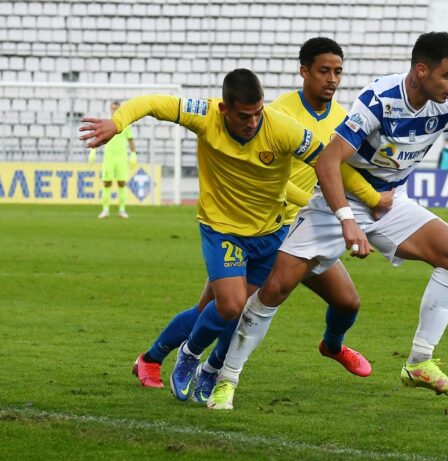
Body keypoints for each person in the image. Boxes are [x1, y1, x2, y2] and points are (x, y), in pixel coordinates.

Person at [207, 31, 448, 410]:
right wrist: (346, 220)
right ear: (422, 70)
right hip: (338, 203)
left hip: (389, 202)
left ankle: (419, 362)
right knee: (275, 289)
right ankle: (226, 378)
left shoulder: (444, 107)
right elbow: (327, 161)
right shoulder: (379, 100)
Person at [79, 64, 385, 403]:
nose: (252, 122)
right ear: (225, 109)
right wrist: (117, 123)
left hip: (282, 231)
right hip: (225, 230)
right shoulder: (211, 114)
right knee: (229, 306)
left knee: (314, 304)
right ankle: (180, 358)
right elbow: (153, 102)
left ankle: (206, 366)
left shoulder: (293, 125)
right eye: (244, 116)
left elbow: (330, 165)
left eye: (257, 114)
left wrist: (371, 199)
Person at [88, 100, 138, 219]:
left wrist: (133, 154)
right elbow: (99, 137)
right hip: (109, 158)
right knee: (107, 183)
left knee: (122, 183)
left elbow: (130, 139)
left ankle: (122, 210)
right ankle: (105, 210)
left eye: (117, 108)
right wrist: (93, 150)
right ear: (110, 109)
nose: (114, 110)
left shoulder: (126, 123)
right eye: (113, 108)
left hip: (122, 158)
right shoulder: (106, 123)